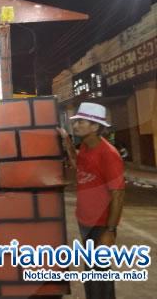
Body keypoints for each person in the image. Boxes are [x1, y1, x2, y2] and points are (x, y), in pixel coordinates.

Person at [58, 102, 125, 299]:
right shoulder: (87, 147)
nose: (76, 125)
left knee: (99, 273)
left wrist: (110, 231)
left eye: (81, 121)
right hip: (86, 220)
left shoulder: (109, 154)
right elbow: (77, 164)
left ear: (95, 127)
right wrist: (68, 142)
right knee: (92, 270)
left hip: (100, 223)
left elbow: (118, 194)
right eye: (76, 121)